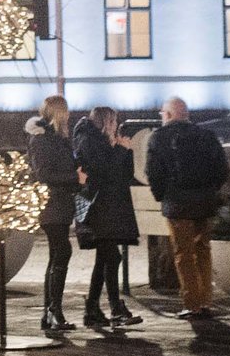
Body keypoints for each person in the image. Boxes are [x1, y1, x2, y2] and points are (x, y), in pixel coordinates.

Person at [145, 96, 230, 317]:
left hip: (177, 203)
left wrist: (161, 195)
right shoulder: (206, 136)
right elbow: (222, 168)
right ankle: (205, 301)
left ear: (170, 115)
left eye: (163, 113)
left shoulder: (159, 138)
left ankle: (191, 303)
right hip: (205, 201)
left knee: (183, 253)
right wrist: (211, 189)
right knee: (203, 249)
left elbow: (154, 172)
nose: (162, 117)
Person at [72, 106, 142, 328]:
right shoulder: (89, 141)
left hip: (108, 208)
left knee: (107, 258)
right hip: (99, 209)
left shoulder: (99, 143)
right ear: (105, 123)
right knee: (111, 257)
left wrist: (125, 151)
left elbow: (124, 175)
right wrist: (120, 151)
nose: (115, 126)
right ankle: (112, 308)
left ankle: (95, 308)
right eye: (113, 122)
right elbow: (104, 172)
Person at [24, 94, 79, 333]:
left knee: (57, 254)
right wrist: (74, 177)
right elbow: (44, 174)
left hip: (61, 203)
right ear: (59, 113)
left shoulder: (57, 139)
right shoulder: (43, 140)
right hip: (51, 204)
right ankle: (53, 310)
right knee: (62, 251)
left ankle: (50, 311)